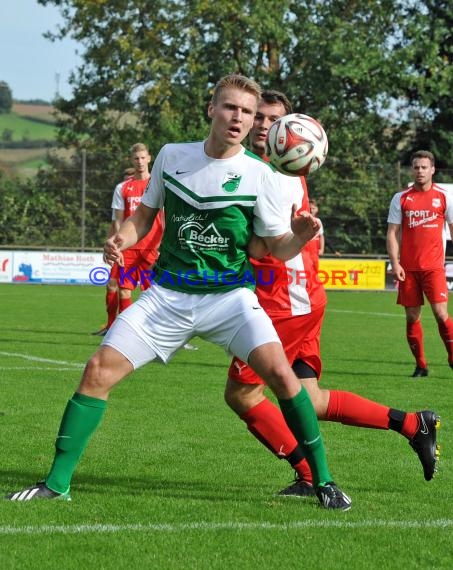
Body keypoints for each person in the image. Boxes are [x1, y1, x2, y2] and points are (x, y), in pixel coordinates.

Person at [6, 74, 351, 510]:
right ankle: (56, 484)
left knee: (284, 378)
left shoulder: (261, 174)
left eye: (246, 112)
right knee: (97, 371)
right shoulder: (172, 156)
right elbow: (144, 217)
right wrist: (122, 239)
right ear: (212, 109)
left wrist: (299, 236)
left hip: (230, 299)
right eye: (230, 107)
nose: (238, 118)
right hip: (167, 297)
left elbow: (273, 249)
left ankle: (323, 481)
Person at [224, 91, 441, 498]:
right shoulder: (274, 168)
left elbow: (262, 245)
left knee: (242, 394)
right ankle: (413, 424)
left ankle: (309, 475)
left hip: (282, 303)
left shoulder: (276, 173)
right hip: (302, 297)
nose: (264, 127)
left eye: (275, 120)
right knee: (313, 400)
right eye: (260, 118)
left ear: (294, 133)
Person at [387, 149, 453, 377]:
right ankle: (421, 365)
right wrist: (395, 263)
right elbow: (392, 233)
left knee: (441, 315)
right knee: (412, 317)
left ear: (433, 169)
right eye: (416, 167)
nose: (420, 171)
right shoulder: (401, 198)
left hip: (434, 268)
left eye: (424, 167)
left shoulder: (445, 197)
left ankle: (452, 357)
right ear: (411, 170)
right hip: (409, 269)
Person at [92, 144, 163, 337]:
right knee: (123, 289)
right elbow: (119, 221)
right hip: (129, 249)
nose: (139, 162)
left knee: (156, 293)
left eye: (142, 158)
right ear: (131, 160)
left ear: (149, 158)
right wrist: (115, 244)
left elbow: (164, 218)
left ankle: (159, 332)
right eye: (136, 158)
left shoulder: (159, 184)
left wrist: (163, 245)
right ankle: (122, 333)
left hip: (152, 248)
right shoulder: (123, 188)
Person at [92, 166, 135, 336]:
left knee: (152, 290)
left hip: (142, 248)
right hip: (122, 248)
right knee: (112, 285)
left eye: (130, 176)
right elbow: (114, 225)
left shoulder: (146, 195)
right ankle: (111, 325)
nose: (128, 179)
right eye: (126, 176)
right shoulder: (122, 196)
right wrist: (109, 247)